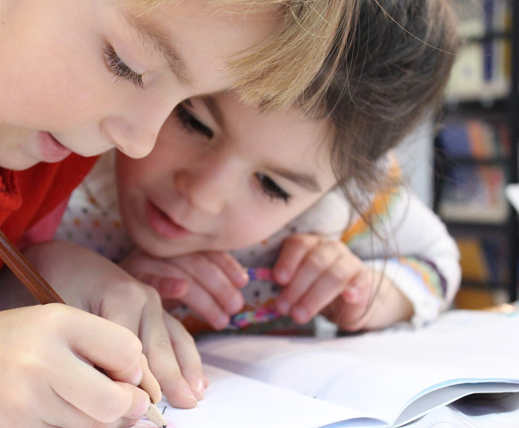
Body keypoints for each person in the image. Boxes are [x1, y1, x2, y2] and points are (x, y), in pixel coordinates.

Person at [0, 0, 356, 428]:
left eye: (185, 100)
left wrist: (37, 279)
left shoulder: (55, 144)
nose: (139, 140)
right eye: (127, 65)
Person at [31, 0, 461, 337]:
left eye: (272, 187)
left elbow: (439, 261)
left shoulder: (344, 210)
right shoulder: (67, 155)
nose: (202, 195)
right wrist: (81, 285)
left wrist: (372, 292)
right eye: (193, 121)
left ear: (341, 187)